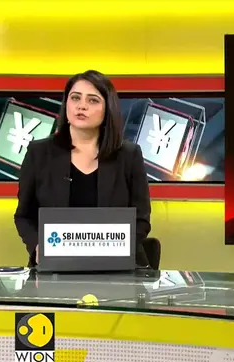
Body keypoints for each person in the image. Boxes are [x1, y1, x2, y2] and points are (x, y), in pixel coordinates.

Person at [14, 70, 151, 268]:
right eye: (75, 98)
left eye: (93, 100)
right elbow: (24, 216)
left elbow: (141, 219)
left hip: (118, 270)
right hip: (54, 268)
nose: (81, 106)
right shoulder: (39, 153)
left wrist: (116, 252)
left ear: (107, 109)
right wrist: (37, 246)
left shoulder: (129, 155)